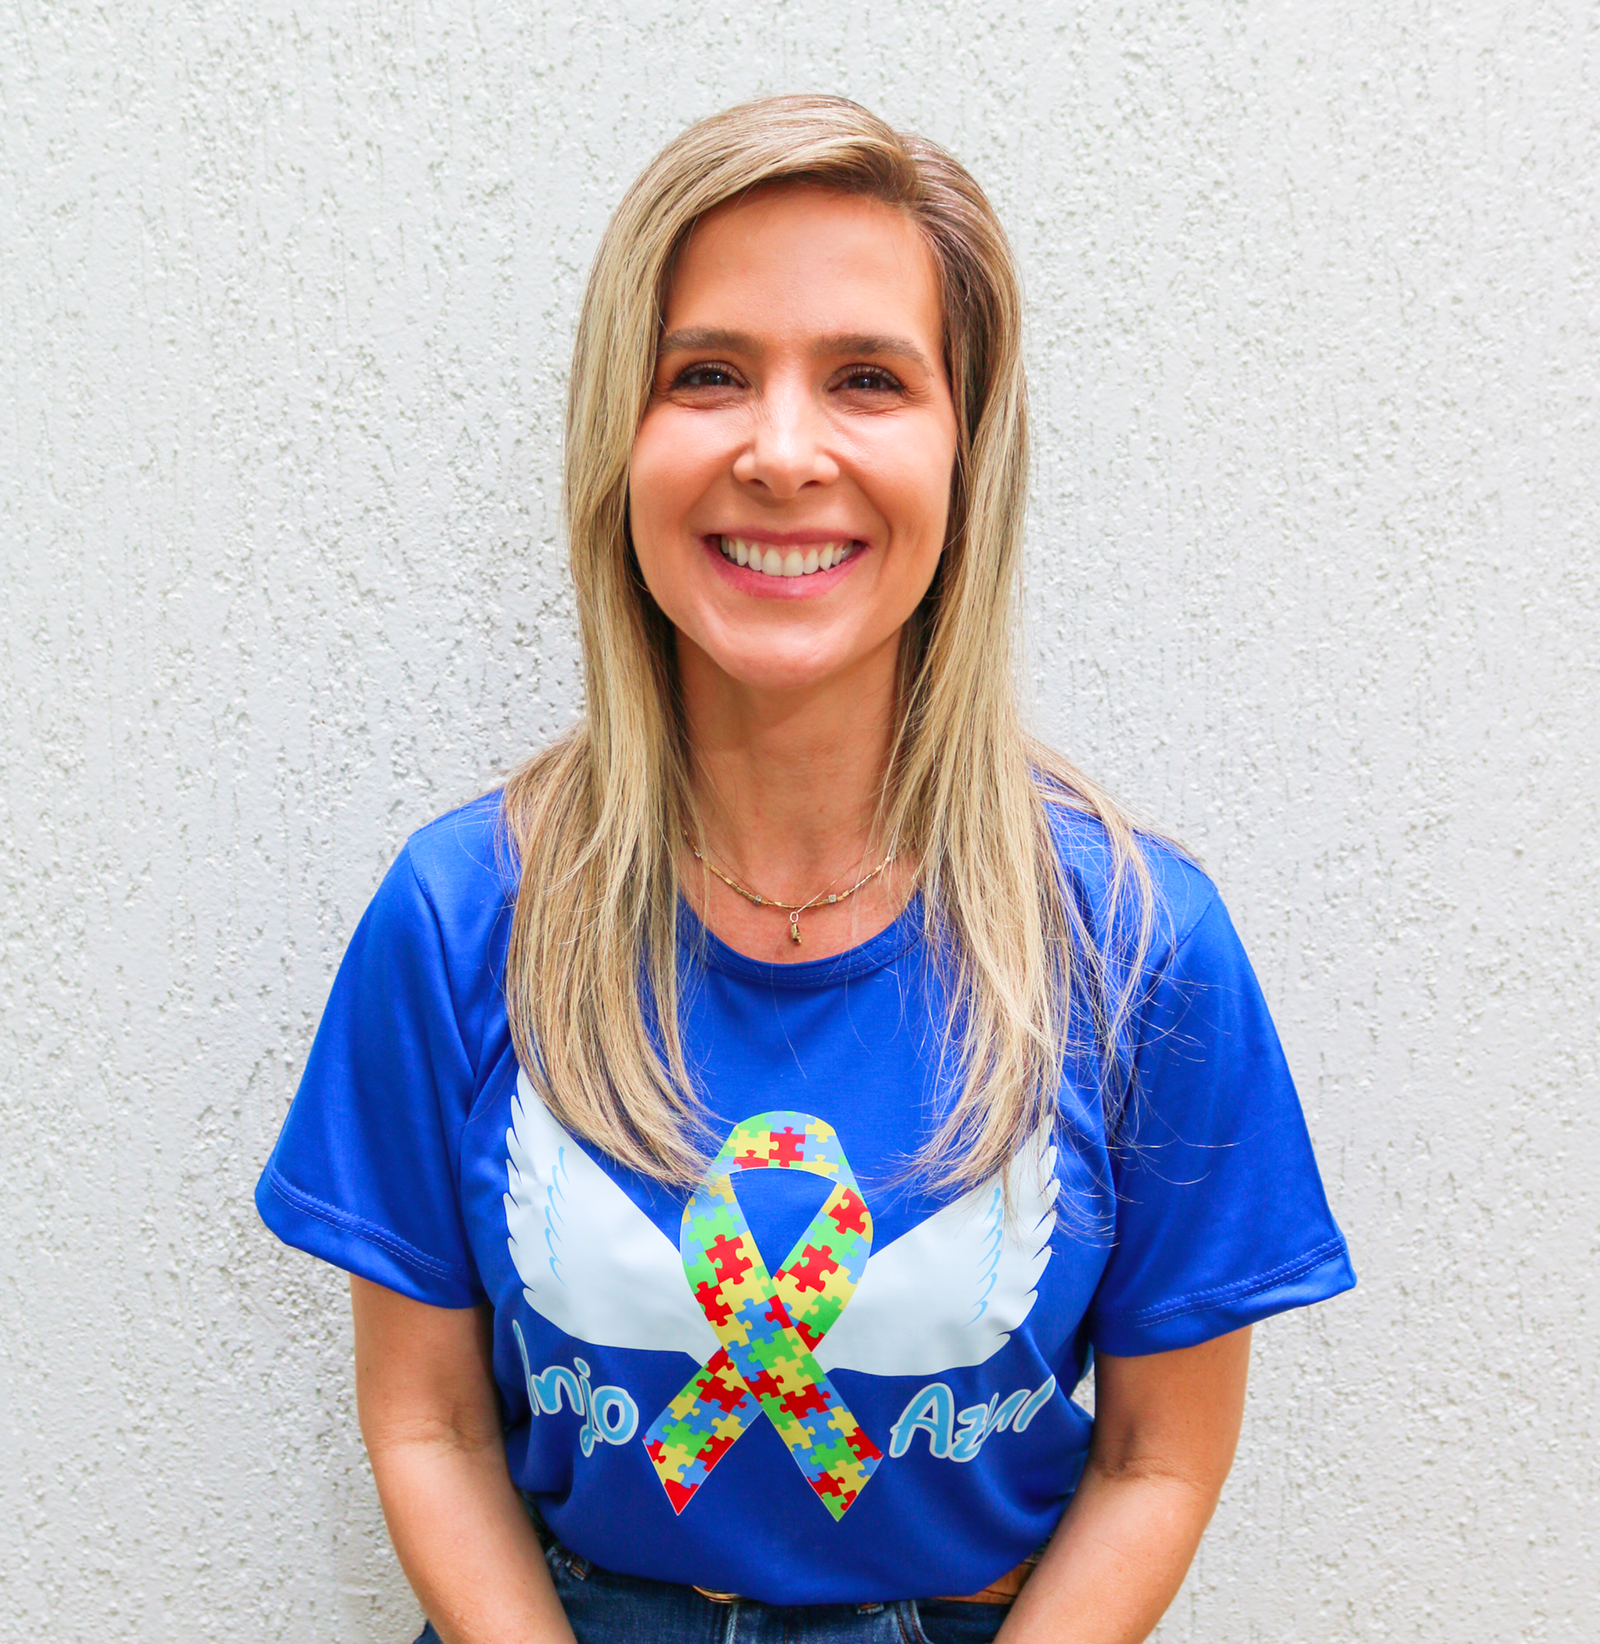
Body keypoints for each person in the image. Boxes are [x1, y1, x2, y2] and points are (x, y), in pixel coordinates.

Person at [256, 95, 1355, 1644]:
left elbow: (1158, 1458)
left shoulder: (1136, 944)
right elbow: (427, 1425)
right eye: (707, 374)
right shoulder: (461, 916)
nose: (782, 454)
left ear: (966, 450)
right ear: (620, 437)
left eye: (867, 379)